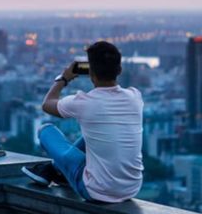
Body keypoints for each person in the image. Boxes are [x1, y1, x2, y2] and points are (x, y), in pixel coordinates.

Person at [22, 41, 144, 202]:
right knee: (92, 137)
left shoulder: (85, 102)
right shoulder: (135, 97)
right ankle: (53, 171)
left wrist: (63, 79)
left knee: (46, 130)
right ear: (119, 70)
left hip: (95, 190)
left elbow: (47, 104)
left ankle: (53, 171)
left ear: (91, 73)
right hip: (132, 188)